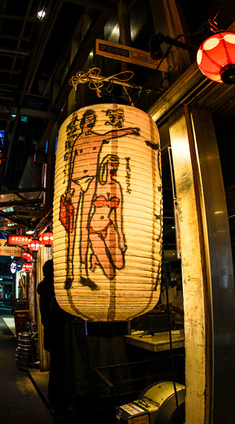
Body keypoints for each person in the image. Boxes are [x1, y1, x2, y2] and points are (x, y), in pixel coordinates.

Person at [59, 108, 139, 290]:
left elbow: (112, 134)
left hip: (91, 183)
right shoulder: (76, 140)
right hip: (76, 182)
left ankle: (83, 273)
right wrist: (69, 189)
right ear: (82, 123)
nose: (90, 121)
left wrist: (128, 130)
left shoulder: (98, 136)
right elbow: (72, 163)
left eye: (92, 119)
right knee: (72, 231)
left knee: (83, 229)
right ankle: (71, 272)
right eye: (87, 119)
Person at [37, 260, 71, 418]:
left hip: (51, 335)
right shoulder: (52, 291)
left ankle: (56, 404)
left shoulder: (44, 289)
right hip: (57, 335)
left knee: (56, 370)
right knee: (59, 371)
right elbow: (57, 315)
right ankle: (59, 406)